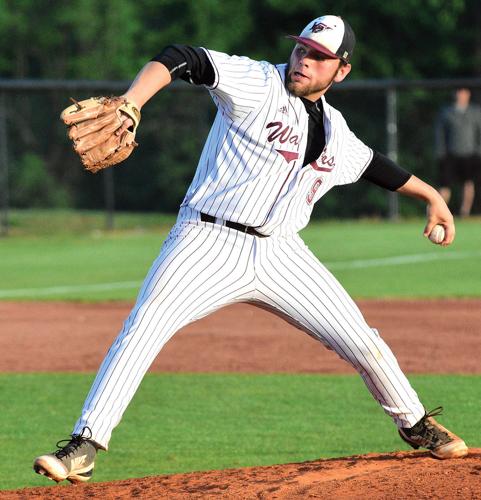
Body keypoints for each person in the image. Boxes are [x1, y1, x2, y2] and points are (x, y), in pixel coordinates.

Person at [33, 15, 468, 484]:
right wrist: (133, 102)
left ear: (340, 71)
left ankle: (416, 423)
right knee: (144, 327)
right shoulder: (258, 82)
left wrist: (432, 196)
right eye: (302, 48)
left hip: (281, 251)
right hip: (206, 240)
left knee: (363, 341)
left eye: (318, 56)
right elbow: (184, 57)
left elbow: (375, 167)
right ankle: (85, 444)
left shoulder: (337, 131)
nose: (304, 59)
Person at [435, 88, 481, 217]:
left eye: (464, 92)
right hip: (451, 154)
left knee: (468, 183)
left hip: (470, 154)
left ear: (468, 94)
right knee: (444, 184)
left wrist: (478, 151)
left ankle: (464, 212)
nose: (461, 95)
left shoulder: (475, 112)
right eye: (459, 92)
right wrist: (441, 152)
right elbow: (440, 134)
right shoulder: (446, 112)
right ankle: (440, 211)